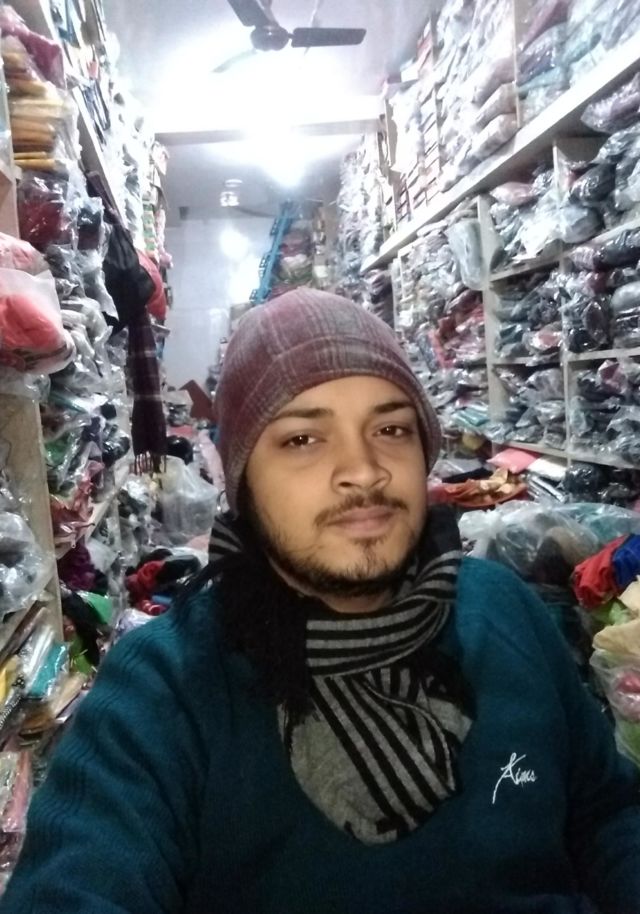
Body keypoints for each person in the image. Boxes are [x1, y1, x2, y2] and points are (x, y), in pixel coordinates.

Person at [2, 289, 640, 914]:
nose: (363, 469)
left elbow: (609, 815)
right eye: (303, 439)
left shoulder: (502, 607)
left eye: (390, 428)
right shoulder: (165, 688)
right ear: (243, 481)